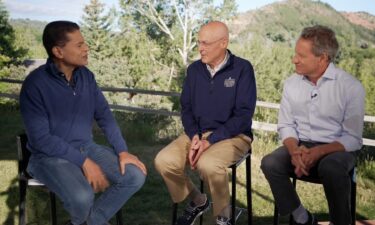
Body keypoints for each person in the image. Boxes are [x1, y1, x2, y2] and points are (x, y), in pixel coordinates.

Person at [19, 21, 147, 225]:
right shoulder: (35, 85)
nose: (86, 48)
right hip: (48, 157)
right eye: (79, 45)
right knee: (82, 197)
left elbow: (104, 115)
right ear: (58, 51)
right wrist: (84, 162)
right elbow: (41, 140)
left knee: (134, 176)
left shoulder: (86, 77)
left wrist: (122, 151)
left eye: (84, 43)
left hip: (86, 148)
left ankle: (89, 222)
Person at [261, 25, 365, 225]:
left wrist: (318, 153)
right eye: (295, 53)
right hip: (299, 145)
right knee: (270, 163)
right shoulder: (291, 83)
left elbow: (352, 138)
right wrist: (294, 151)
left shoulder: (351, 87)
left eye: (301, 55)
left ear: (323, 58)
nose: (294, 59)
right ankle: (303, 218)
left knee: (332, 168)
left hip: (337, 149)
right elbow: (286, 125)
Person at [154, 21, 256, 225]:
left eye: (205, 43)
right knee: (163, 160)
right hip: (197, 134)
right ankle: (198, 200)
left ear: (223, 43)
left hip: (234, 136)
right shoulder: (194, 70)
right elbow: (187, 108)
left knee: (208, 164)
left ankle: (224, 217)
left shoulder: (242, 69)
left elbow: (243, 115)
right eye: (199, 42)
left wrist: (211, 141)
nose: (200, 48)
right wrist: (194, 137)